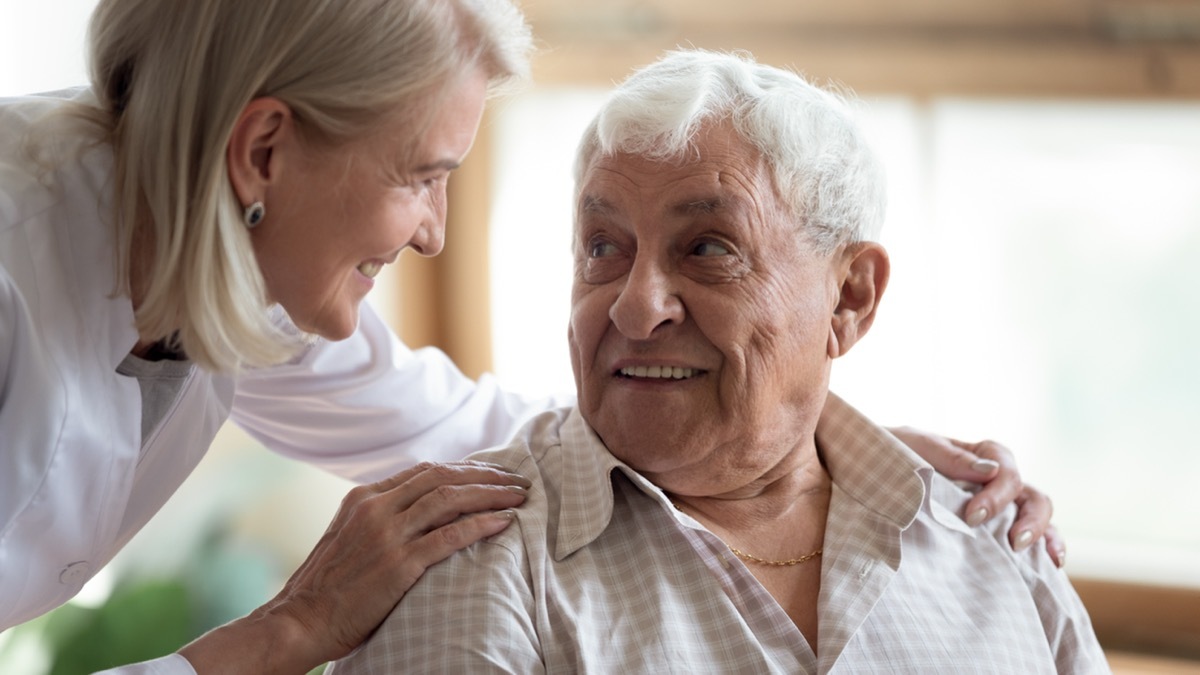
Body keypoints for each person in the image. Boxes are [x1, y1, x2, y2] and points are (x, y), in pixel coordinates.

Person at [0, 1, 1056, 673]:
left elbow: (489, 425)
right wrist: (280, 635)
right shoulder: (17, 269)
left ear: (855, 296)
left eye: (708, 252)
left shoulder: (245, 279)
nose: (432, 234)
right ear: (265, 152)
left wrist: (818, 438)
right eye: (421, 176)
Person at [329, 49, 1105, 674]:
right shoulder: (473, 563)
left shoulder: (992, 534)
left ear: (850, 300)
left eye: (707, 249)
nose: (635, 308)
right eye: (604, 248)